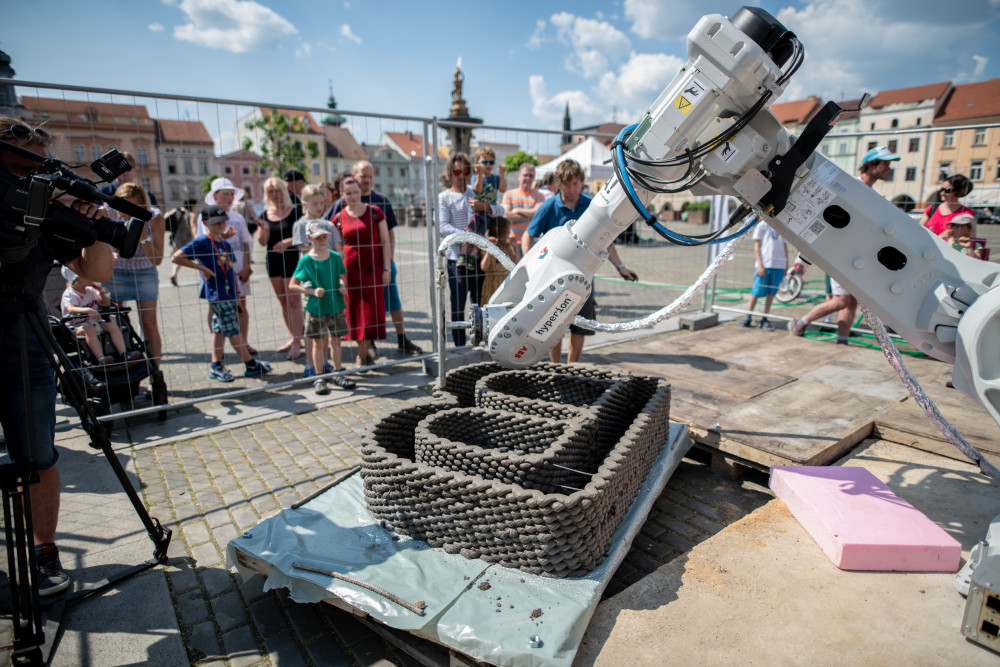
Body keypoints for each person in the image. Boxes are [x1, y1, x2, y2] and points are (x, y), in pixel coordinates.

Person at [0, 117, 115, 596]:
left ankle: (44, 552)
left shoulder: (42, 206)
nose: (36, 168)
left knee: (40, 457)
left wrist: (97, 226)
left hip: (26, 343)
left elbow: (94, 269)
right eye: (28, 157)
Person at [523, 159, 638, 363]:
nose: (571, 188)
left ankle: (571, 367)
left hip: (583, 276)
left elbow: (606, 241)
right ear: (559, 183)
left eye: (575, 183)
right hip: (554, 278)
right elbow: (528, 234)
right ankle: (556, 366)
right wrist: (528, 265)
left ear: (581, 182)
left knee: (580, 325)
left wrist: (620, 267)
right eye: (567, 183)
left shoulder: (591, 206)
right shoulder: (550, 206)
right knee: (553, 324)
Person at [789, 146, 898, 343]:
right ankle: (800, 323)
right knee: (841, 300)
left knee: (851, 301)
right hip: (840, 252)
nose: (888, 169)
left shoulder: (869, 193)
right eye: (885, 164)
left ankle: (842, 341)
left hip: (855, 253)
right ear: (871, 164)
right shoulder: (852, 187)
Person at [328, 160, 423, 357]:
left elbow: (390, 234)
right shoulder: (341, 204)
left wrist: (389, 264)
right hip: (354, 268)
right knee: (361, 306)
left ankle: (401, 338)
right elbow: (328, 228)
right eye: (363, 176)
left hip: (381, 264)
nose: (367, 180)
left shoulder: (380, 200)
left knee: (392, 302)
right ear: (354, 176)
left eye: (370, 176)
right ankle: (367, 346)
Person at [172, 206, 271, 382]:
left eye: (223, 221)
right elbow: (176, 257)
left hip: (229, 293)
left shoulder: (224, 243)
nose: (221, 225)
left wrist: (238, 295)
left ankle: (216, 365)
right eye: (216, 223)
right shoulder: (202, 241)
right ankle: (250, 364)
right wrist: (201, 268)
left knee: (218, 330)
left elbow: (230, 270)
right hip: (217, 294)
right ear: (205, 223)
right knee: (233, 330)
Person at [438, 152, 504, 347]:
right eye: (457, 170)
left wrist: (485, 207)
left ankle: (480, 343)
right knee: (458, 304)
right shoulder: (444, 197)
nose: (461, 175)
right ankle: (459, 346)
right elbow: (442, 227)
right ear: (450, 173)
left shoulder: (476, 191)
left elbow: (500, 209)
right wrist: (467, 238)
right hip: (455, 258)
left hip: (477, 257)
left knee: (479, 304)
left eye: (465, 171)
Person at [105, 182, 166, 381]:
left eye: (133, 209)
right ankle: (122, 375)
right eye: (124, 208)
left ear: (142, 206)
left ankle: (154, 373)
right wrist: (107, 256)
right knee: (114, 322)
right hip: (115, 272)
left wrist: (144, 237)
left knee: (148, 323)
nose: (127, 214)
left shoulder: (154, 218)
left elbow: (157, 260)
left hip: (144, 272)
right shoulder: (108, 212)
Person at [290, 220, 356, 394]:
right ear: (309, 238)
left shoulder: (335, 257)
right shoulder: (305, 261)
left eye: (325, 237)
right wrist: (310, 291)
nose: (322, 240)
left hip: (335, 305)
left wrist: (342, 286)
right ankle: (319, 376)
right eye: (318, 238)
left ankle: (338, 372)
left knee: (336, 340)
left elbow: (342, 276)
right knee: (318, 343)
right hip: (316, 307)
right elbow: (293, 285)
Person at [332, 176, 391, 367]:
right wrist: (339, 276)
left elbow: (385, 241)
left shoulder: (375, 212)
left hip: (373, 269)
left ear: (360, 191)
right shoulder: (339, 218)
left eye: (355, 192)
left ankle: (363, 353)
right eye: (348, 193)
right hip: (350, 272)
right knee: (355, 313)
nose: (352, 196)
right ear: (342, 195)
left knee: (371, 313)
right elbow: (337, 248)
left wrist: (387, 267)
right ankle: (362, 354)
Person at [199, 178, 256, 355]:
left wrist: (247, 265)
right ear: (215, 195)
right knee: (215, 308)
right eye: (225, 194)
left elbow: (246, 242)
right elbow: (204, 242)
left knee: (241, 305)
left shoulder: (238, 217)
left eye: (232, 194)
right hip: (216, 270)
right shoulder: (206, 216)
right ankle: (219, 347)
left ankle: (243, 343)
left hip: (238, 269)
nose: (229, 197)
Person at [292, 183, 343, 376]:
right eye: (315, 203)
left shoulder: (328, 224)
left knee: (329, 321)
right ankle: (310, 363)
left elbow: (338, 247)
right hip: (311, 280)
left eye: (322, 203)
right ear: (305, 204)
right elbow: (303, 249)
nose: (319, 207)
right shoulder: (301, 225)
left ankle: (326, 362)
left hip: (329, 277)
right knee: (312, 323)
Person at [257, 176, 303, 359]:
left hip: (291, 259)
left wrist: (288, 242)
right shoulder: (266, 214)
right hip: (273, 261)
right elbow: (261, 242)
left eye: (277, 190)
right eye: (270, 191)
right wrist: (265, 230)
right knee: (283, 302)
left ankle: (298, 342)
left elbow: (305, 235)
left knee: (294, 301)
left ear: (283, 191)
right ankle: (292, 337)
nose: (274, 194)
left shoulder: (296, 211)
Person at [60, 266, 139, 364]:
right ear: (78, 279)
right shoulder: (70, 293)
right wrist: (87, 310)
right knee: (90, 329)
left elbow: (106, 304)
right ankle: (100, 358)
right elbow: (70, 308)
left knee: (112, 326)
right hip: (76, 326)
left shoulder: (90, 290)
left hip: (95, 322)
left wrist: (102, 292)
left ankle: (124, 353)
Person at [738, 221, 787, 331]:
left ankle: (765, 318)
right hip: (765, 264)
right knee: (756, 291)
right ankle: (748, 316)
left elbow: (784, 246)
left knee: (771, 293)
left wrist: (786, 265)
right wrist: (760, 264)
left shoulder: (782, 226)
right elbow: (757, 246)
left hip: (778, 265)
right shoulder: (763, 225)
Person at [500, 162, 544, 258]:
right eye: (525, 175)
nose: (528, 178)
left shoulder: (539, 196)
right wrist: (531, 216)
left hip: (532, 244)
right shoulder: (509, 194)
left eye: (531, 176)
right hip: (512, 243)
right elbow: (506, 216)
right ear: (519, 176)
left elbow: (538, 214)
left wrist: (516, 210)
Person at [479, 216, 518, 305]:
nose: (509, 233)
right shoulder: (486, 244)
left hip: (504, 282)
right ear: (498, 230)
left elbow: (516, 264)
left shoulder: (507, 246)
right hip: (490, 283)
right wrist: (490, 248)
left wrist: (515, 247)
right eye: (507, 231)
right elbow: (484, 267)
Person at [167, 198, 198, 286]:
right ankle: (174, 274)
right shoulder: (192, 214)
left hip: (177, 237)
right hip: (187, 238)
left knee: (176, 256)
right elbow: (193, 226)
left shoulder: (177, 211)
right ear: (192, 205)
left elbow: (166, 216)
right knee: (183, 258)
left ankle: (173, 273)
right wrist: (196, 237)